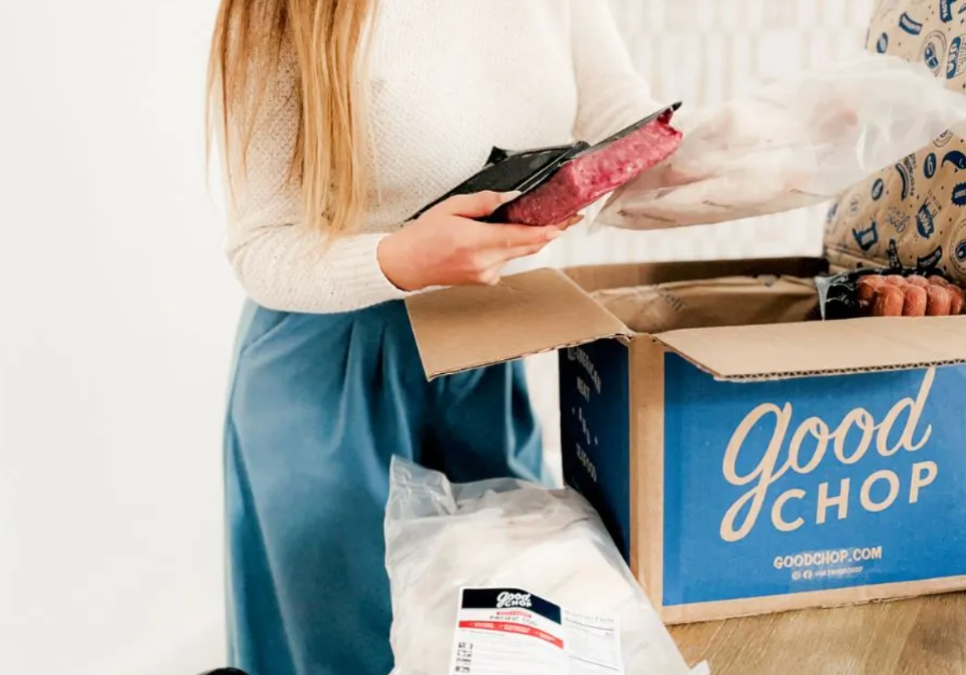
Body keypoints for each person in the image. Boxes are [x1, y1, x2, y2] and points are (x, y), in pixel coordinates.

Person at [206, 2, 661, 674]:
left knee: (505, 644)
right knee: (340, 651)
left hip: (477, 354)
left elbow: (622, 121)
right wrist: (398, 259)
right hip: (328, 374)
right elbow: (260, 247)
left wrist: (775, 149)